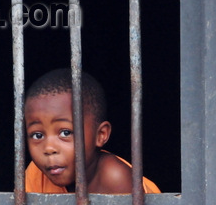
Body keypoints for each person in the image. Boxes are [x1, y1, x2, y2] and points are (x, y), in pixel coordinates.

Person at [24, 68, 160, 194]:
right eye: (38, 135)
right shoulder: (36, 173)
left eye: (65, 133)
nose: (49, 148)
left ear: (101, 135)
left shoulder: (115, 178)